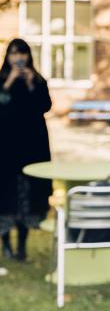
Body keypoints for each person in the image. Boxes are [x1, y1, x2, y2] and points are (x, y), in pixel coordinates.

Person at [0, 39, 52, 261]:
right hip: (6, 150)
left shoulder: (38, 80)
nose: (18, 58)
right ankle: (6, 245)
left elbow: (45, 106)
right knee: (6, 195)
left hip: (32, 149)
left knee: (28, 196)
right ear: (8, 57)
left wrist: (31, 84)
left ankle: (22, 245)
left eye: (22, 54)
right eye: (14, 54)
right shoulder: (2, 80)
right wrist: (9, 82)